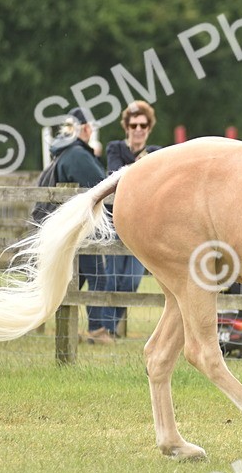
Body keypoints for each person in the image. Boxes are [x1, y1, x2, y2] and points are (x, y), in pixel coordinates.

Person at [51, 107, 116, 344]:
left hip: (73, 227)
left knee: (74, 279)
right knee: (97, 276)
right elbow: (101, 185)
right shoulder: (77, 155)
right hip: (82, 228)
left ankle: (67, 330)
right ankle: (97, 330)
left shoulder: (67, 152)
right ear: (85, 128)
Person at [104, 101, 163, 336]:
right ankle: (105, 330)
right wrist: (141, 170)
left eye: (143, 125)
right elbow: (115, 175)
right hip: (116, 220)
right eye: (134, 124)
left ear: (149, 128)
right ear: (126, 126)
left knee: (131, 281)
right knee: (112, 278)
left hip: (142, 225)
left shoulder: (157, 151)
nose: (138, 129)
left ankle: (112, 327)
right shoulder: (115, 148)